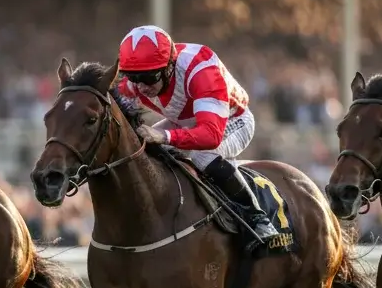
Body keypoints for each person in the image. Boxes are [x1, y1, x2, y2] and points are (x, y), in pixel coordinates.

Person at [113, 25, 278, 245]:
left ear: (169, 67)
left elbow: (210, 135)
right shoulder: (137, 81)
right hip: (185, 120)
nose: (141, 86)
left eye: (148, 77)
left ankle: (257, 218)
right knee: (140, 148)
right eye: (134, 77)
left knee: (203, 156)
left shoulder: (200, 69)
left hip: (231, 120)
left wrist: (165, 137)